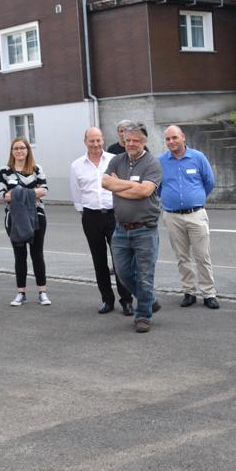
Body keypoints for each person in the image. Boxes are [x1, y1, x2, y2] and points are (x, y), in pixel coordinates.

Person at [103, 122, 162, 333]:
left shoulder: (152, 164)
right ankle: (150, 299)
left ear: (143, 142)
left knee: (145, 275)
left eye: (135, 140)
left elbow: (145, 191)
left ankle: (143, 315)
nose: (131, 144)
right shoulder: (117, 160)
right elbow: (105, 183)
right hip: (120, 229)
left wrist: (119, 187)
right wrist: (129, 186)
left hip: (145, 229)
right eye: (127, 140)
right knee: (123, 272)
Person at [69, 127, 133, 314]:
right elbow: (76, 194)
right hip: (91, 217)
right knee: (99, 261)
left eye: (98, 140)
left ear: (103, 140)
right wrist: (85, 213)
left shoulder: (115, 160)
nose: (95, 144)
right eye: (92, 141)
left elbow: (123, 186)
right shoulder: (76, 165)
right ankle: (107, 299)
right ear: (85, 141)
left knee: (120, 260)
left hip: (114, 215)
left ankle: (126, 300)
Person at [159, 125, 218, 308]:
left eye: (174, 138)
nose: (171, 142)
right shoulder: (160, 161)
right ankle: (189, 291)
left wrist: (196, 198)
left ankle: (209, 293)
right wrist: (171, 198)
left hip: (196, 214)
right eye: (168, 139)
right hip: (172, 216)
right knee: (182, 256)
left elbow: (209, 182)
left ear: (183, 137)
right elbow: (158, 187)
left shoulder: (197, 157)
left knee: (202, 256)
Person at [0, 137, 50, 306]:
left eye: (22, 148)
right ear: (12, 152)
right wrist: (30, 193)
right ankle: (21, 293)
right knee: (20, 256)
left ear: (28, 150)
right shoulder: (5, 171)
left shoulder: (37, 169)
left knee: (37, 254)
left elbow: (44, 190)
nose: (19, 151)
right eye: (16, 148)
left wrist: (17, 194)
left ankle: (42, 292)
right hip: (15, 219)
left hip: (37, 216)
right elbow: (1, 195)